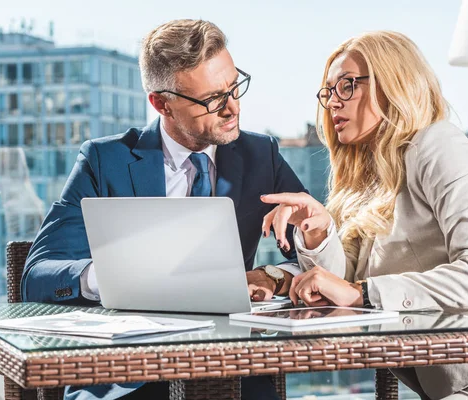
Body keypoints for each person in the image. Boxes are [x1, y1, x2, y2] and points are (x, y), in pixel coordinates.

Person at [21, 19, 307, 400]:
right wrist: (113, 276)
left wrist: (271, 275)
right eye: (211, 99)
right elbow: (38, 275)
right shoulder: (105, 160)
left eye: (234, 86)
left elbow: (313, 253)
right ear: (161, 103)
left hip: (229, 370)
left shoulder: (261, 155)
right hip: (121, 374)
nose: (232, 107)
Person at [261, 31, 468, 399]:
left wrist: (364, 293)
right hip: (448, 383)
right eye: (328, 91)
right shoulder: (366, 175)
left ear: (393, 85)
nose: (332, 102)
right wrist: (318, 233)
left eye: (347, 86)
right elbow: (343, 285)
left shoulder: (438, 146)